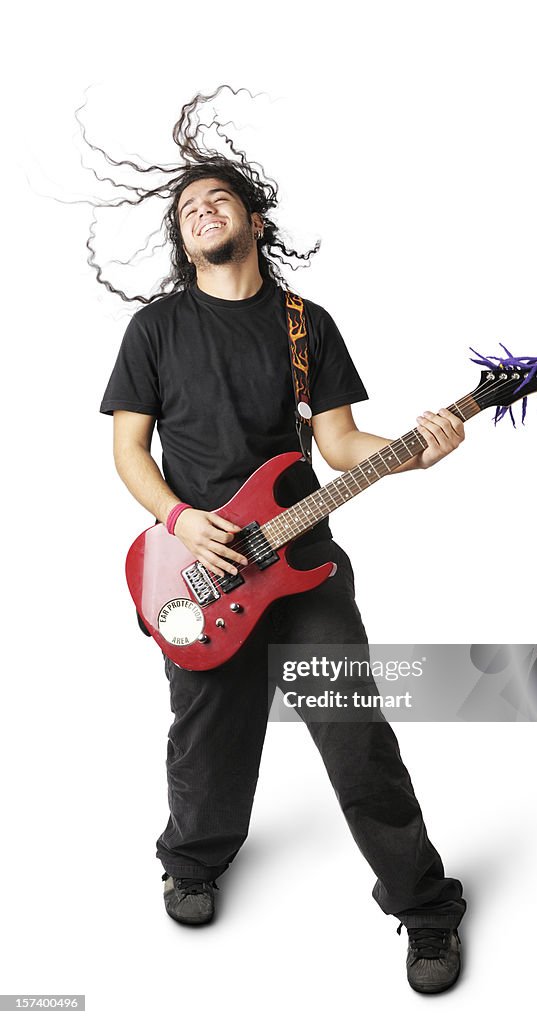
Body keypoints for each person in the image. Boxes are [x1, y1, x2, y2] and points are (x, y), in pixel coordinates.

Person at [99, 139, 467, 995]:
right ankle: (191, 860)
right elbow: (127, 451)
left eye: (218, 198)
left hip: (304, 563)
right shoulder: (154, 328)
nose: (202, 209)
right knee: (207, 738)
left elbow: (339, 446)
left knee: (357, 738)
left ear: (253, 220)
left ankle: (426, 908)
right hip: (197, 570)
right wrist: (182, 520)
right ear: (181, 238)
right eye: (188, 208)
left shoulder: (307, 324)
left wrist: (418, 452)